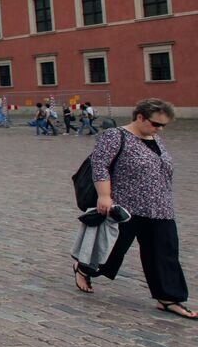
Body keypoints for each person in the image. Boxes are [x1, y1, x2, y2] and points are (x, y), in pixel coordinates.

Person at [76, 98, 194, 318]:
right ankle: (83, 269)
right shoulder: (115, 136)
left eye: (163, 126)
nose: (159, 129)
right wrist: (104, 195)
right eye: (156, 124)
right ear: (140, 117)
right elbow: (100, 165)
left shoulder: (154, 139)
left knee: (165, 251)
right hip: (126, 206)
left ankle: (168, 298)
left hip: (160, 207)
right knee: (112, 250)